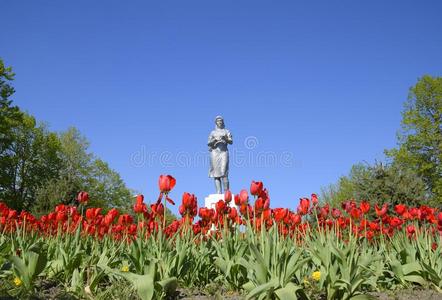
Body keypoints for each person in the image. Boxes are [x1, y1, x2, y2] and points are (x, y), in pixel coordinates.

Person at [208, 116, 233, 194]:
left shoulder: (226, 131)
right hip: (215, 153)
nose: (220, 122)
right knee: (216, 174)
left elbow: (231, 141)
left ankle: (226, 192)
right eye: (218, 121)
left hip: (223, 152)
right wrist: (214, 140)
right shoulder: (213, 132)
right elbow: (208, 143)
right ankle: (218, 192)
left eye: (221, 121)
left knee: (224, 172)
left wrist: (225, 138)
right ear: (216, 122)